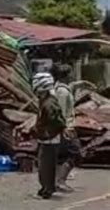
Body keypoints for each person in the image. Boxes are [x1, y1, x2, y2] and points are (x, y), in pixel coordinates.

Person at [32, 72, 66, 199]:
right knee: (43, 165)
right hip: (46, 138)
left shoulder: (49, 103)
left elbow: (56, 121)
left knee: (46, 166)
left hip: (50, 139)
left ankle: (48, 190)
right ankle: (45, 188)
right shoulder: (45, 100)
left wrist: (48, 132)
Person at [52, 64, 80, 192]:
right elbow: (61, 112)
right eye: (70, 74)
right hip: (66, 127)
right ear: (66, 76)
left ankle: (57, 181)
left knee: (62, 155)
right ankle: (60, 181)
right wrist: (64, 129)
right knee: (74, 153)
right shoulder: (62, 92)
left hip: (62, 128)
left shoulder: (59, 88)